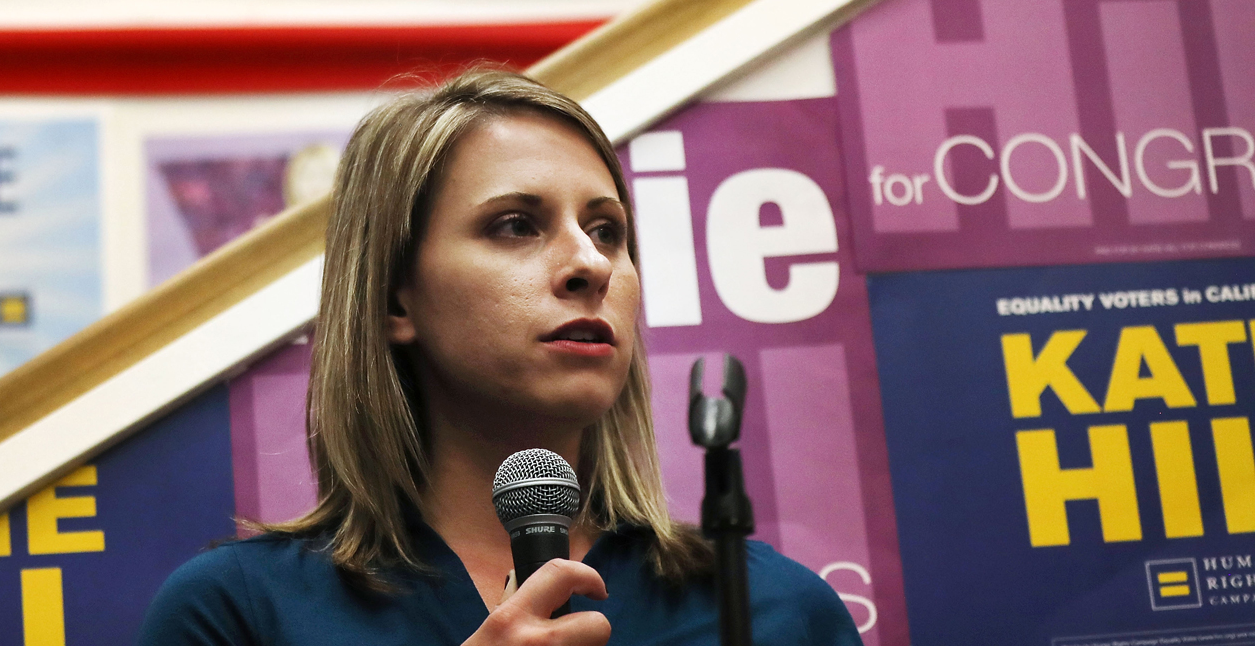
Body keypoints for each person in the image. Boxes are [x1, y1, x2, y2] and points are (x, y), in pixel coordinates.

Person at [138, 68, 863, 645]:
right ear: (395, 300)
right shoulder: (237, 616)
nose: (591, 265)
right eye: (516, 226)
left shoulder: (773, 612)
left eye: (608, 231)